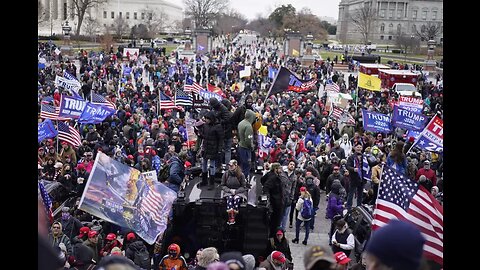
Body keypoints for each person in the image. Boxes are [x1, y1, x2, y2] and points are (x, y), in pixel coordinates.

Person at [198, 111, 224, 190]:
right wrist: (199, 134)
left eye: (207, 119)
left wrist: (219, 150)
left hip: (214, 149)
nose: (206, 120)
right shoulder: (205, 126)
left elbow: (221, 139)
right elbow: (204, 136)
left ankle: (211, 183)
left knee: (212, 166)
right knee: (204, 165)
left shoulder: (218, 126)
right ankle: (204, 180)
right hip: (206, 148)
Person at [261, 162, 285, 238]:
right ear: (276, 169)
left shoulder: (269, 175)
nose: (281, 169)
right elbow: (266, 187)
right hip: (276, 203)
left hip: (275, 201)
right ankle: (272, 237)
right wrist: (269, 197)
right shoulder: (273, 177)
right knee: (275, 222)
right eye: (279, 168)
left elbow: (262, 180)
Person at [220, 159, 247, 225]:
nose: (230, 167)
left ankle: (234, 216)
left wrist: (236, 191)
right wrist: (230, 190)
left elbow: (244, 186)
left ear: (235, 165)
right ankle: (231, 217)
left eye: (231, 165)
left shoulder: (241, 175)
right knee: (229, 198)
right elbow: (223, 185)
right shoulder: (225, 174)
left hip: (239, 192)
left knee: (236, 199)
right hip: (228, 191)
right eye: (229, 165)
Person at [237, 109, 256, 180]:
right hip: (246, 148)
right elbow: (248, 140)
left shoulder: (241, 123)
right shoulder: (248, 126)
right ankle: (244, 180)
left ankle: (240, 178)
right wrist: (251, 147)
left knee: (241, 164)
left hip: (240, 146)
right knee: (247, 165)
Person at [346, 143, 365, 209]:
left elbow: (370, 163)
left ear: (362, 148)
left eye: (360, 147)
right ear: (354, 148)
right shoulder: (351, 157)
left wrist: (377, 161)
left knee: (360, 194)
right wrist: (353, 169)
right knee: (351, 193)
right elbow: (347, 166)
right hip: (353, 178)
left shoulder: (364, 157)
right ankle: (348, 207)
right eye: (357, 147)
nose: (359, 148)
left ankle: (359, 207)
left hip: (361, 178)